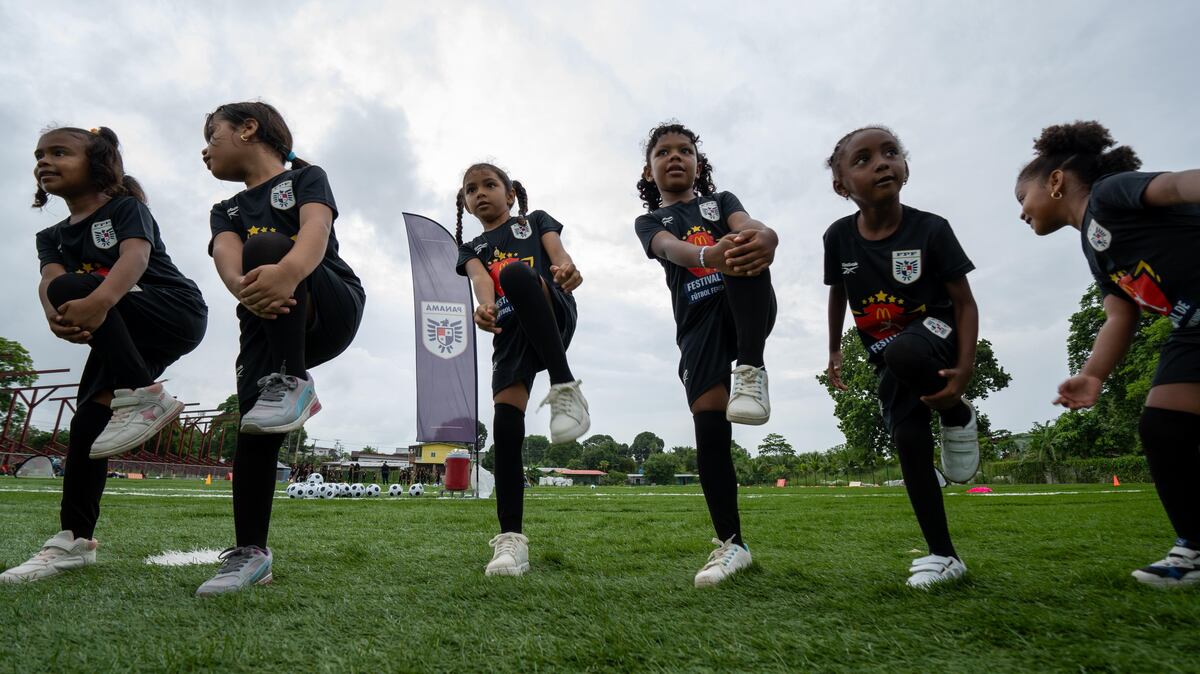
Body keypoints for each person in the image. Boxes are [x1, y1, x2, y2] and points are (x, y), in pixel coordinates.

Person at [2, 126, 207, 584]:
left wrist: (97, 301)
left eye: (59, 152)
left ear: (97, 163)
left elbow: (134, 258)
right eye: (39, 155)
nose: (44, 162)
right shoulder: (51, 235)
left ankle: (144, 395)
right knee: (88, 426)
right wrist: (54, 315)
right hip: (122, 328)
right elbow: (49, 280)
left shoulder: (124, 209)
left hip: (171, 311)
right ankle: (74, 541)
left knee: (76, 286)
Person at [1015, 120, 1200, 587]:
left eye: (1022, 198)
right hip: (1192, 329)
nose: (1021, 213)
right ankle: (1195, 549)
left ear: (1055, 181)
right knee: (1162, 427)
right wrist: (1093, 374)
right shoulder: (1094, 247)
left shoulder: (1111, 193)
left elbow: (1180, 186)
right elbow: (1121, 317)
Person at [195, 101, 365, 596]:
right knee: (254, 422)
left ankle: (295, 380)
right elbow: (228, 259)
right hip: (263, 314)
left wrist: (286, 272)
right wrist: (246, 289)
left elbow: (316, 232)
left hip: (326, 302)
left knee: (269, 245)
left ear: (248, 129)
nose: (204, 151)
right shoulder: (223, 210)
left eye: (212, 136)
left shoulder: (306, 178)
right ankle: (251, 553)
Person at [823, 126, 979, 589]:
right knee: (910, 444)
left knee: (907, 347)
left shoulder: (931, 229)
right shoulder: (837, 237)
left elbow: (965, 302)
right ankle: (944, 556)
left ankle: (955, 414)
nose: (882, 163)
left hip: (937, 335)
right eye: (864, 159)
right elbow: (838, 293)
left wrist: (964, 369)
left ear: (905, 167)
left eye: (891, 153)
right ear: (841, 185)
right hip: (887, 357)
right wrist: (834, 348)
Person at [633, 122, 777, 587]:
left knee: (741, 247)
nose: (675, 157)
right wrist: (705, 256)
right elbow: (670, 249)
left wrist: (765, 236)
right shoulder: (650, 221)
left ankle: (750, 369)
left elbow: (748, 227)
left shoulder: (722, 202)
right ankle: (733, 545)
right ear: (650, 169)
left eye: (685, 150)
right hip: (697, 325)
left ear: (698, 163)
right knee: (710, 427)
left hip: (744, 307)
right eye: (663, 152)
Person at [455, 162, 589, 576]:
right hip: (510, 330)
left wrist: (565, 267)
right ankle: (511, 541)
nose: (480, 193)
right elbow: (480, 281)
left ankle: (565, 386)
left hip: (549, 306)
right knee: (505, 428)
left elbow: (558, 254)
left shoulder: (535, 222)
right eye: (471, 189)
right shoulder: (472, 248)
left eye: (489, 185)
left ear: (510, 193)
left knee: (515, 272)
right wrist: (483, 306)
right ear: (466, 203)